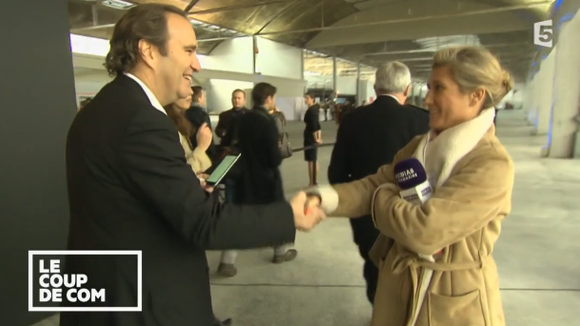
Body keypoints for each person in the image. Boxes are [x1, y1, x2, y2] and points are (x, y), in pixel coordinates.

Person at [61, 4, 325, 326]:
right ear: (148, 50)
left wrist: (186, 186)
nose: (196, 64)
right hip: (142, 305)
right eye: (188, 50)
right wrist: (290, 215)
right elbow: (204, 224)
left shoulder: (103, 109)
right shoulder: (140, 120)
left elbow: (126, 201)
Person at [307, 46, 514, 326]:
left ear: (476, 95)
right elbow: (375, 182)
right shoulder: (422, 144)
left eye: (439, 88)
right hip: (401, 287)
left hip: (452, 304)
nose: (427, 99)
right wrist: (322, 199)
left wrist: (383, 196)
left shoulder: (491, 164)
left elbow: (424, 231)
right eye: (428, 87)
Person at [328, 61, 429, 306]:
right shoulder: (422, 121)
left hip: (367, 213)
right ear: (407, 89)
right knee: (412, 270)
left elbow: (337, 174)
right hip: (411, 214)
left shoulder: (352, 120)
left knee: (375, 268)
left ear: (375, 87)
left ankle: (379, 313)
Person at [217, 83, 297, 277]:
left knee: (238, 218)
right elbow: (273, 159)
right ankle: (280, 252)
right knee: (275, 215)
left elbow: (228, 143)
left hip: (243, 177)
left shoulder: (241, 119)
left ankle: (227, 262)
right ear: (268, 98)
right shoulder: (268, 122)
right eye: (274, 98)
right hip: (266, 180)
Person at [165, 95, 213, 173]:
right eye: (185, 83)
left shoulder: (180, 121)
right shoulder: (166, 126)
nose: (190, 92)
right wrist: (201, 147)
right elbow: (180, 173)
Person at [185, 85, 217, 161]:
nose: (205, 100)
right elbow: (208, 137)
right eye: (204, 97)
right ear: (199, 99)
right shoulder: (203, 115)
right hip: (202, 153)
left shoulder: (183, 113)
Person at [303, 92, 322, 186]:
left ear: (312, 99)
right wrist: (319, 137)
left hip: (310, 137)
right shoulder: (315, 109)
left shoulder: (311, 110)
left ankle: (312, 182)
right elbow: (318, 126)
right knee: (313, 159)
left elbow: (314, 126)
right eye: (305, 98)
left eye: (307, 98)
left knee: (312, 160)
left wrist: (316, 139)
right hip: (311, 136)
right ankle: (313, 181)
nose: (305, 100)